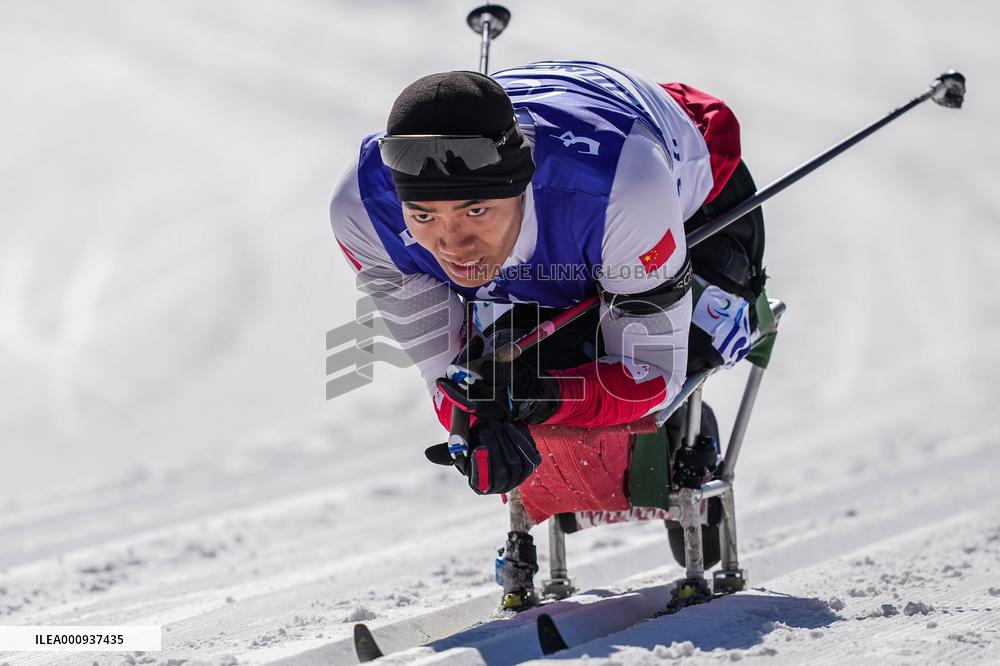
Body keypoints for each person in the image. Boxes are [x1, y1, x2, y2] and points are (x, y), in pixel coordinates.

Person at [330, 59, 765, 502]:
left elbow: (653, 371)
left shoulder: (623, 188)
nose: (453, 246)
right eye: (423, 217)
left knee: (692, 343)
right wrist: (478, 419)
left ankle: (684, 434)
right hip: (573, 230)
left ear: (522, 185)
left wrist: (541, 396)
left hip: (695, 202)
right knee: (506, 361)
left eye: (475, 211)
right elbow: (444, 372)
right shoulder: (364, 213)